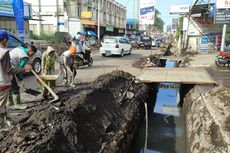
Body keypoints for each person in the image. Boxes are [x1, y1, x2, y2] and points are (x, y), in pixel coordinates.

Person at [9, 44, 36, 109]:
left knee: (10, 85)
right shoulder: (24, 56)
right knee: (15, 86)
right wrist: (20, 79)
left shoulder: (19, 48)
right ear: (30, 51)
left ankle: (11, 103)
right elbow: (20, 70)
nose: (32, 55)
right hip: (11, 68)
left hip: (5, 66)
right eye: (33, 53)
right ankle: (17, 104)